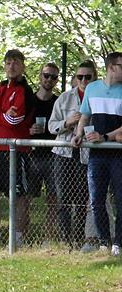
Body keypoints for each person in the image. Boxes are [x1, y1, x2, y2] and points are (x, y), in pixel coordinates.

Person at [0, 49, 35, 247]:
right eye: (8, 63)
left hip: (17, 152)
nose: (11, 66)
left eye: (16, 63)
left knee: (19, 198)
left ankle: (17, 240)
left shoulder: (25, 92)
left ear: (22, 66)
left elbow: (15, 120)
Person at [72, 51, 122, 256]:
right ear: (111, 67)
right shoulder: (92, 88)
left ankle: (118, 243)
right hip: (96, 155)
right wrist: (77, 135)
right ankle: (104, 241)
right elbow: (85, 116)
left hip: (118, 154)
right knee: (96, 199)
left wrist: (106, 137)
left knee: (120, 199)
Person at [49, 61, 97, 249]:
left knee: (83, 199)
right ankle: (65, 240)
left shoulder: (98, 98)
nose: (83, 80)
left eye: (88, 77)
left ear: (95, 77)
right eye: (80, 77)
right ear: (75, 78)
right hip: (63, 154)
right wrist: (68, 122)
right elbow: (52, 126)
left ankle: (79, 239)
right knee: (63, 199)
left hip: (86, 155)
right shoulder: (64, 98)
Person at [29, 63, 60, 243]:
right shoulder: (29, 100)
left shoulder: (58, 102)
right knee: (25, 199)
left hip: (52, 155)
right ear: (40, 76)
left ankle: (48, 239)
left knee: (53, 199)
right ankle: (22, 237)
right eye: (46, 75)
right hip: (32, 155)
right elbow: (19, 126)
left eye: (53, 77)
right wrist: (29, 131)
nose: (49, 79)